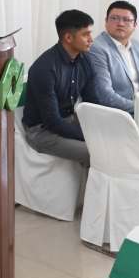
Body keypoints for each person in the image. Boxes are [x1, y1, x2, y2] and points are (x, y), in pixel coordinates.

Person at [22, 10, 101, 167]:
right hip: (42, 130)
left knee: (114, 142)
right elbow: (52, 121)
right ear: (68, 38)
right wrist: (88, 135)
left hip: (69, 120)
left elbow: (93, 102)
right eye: (85, 34)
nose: (91, 39)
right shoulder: (44, 68)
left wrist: (102, 127)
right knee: (96, 154)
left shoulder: (86, 59)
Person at [88, 1, 139, 114]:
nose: (120, 24)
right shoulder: (97, 48)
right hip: (117, 114)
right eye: (114, 18)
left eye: (127, 20)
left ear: (135, 25)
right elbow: (105, 95)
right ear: (106, 22)